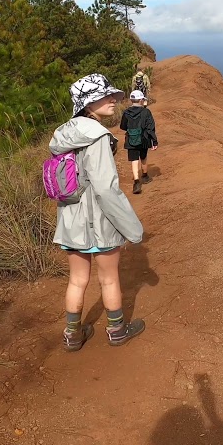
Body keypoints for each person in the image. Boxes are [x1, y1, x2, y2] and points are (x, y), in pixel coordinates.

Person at [49, 73, 147, 352]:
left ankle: (72, 335)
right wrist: (132, 228)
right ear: (88, 103)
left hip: (70, 219)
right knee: (109, 278)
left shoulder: (62, 134)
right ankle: (116, 331)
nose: (113, 100)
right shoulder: (98, 136)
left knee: (78, 280)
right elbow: (106, 189)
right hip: (100, 221)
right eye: (104, 97)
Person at [120, 89, 158, 194]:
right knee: (143, 156)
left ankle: (136, 182)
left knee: (134, 160)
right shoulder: (146, 112)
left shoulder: (126, 112)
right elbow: (151, 127)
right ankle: (145, 176)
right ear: (141, 100)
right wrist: (154, 141)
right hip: (144, 138)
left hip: (131, 139)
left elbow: (123, 126)